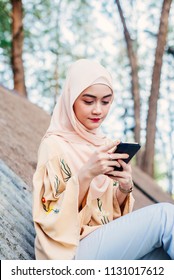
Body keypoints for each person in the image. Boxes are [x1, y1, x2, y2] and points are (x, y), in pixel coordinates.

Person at [33, 59, 174, 260]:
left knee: (162, 255)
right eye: (88, 101)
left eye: (105, 102)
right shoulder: (55, 145)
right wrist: (86, 174)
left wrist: (124, 188)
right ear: (70, 99)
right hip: (69, 252)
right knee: (165, 217)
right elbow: (49, 214)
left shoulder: (104, 144)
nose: (98, 110)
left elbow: (107, 216)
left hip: (100, 244)